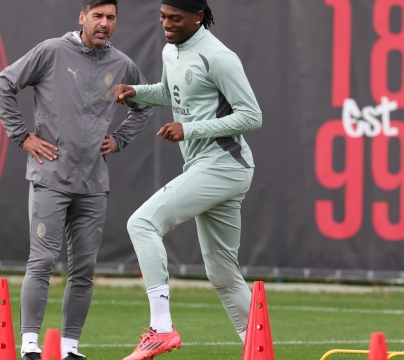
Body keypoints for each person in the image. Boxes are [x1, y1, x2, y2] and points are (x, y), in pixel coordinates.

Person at [0, 0, 153, 359]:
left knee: (85, 269)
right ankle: (30, 345)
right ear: (82, 18)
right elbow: (1, 84)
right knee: (42, 262)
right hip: (50, 176)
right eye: (97, 16)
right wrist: (22, 136)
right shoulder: (51, 52)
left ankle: (69, 349)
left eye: (111, 18)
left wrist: (121, 138)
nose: (104, 24)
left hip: (94, 184)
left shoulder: (122, 64)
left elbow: (144, 104)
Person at [113, 0, 262, 359]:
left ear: (198, 17)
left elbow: (252, 116)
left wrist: (190, 128)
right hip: (207, 167)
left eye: (175, 18)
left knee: (143, 223)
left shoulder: (219, 57)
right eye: (163, 17)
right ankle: (259, 351)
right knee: (224, 274)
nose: (166, 24)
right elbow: (171, 93)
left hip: (224, 165)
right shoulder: (170, 51)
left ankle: (161, 329)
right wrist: (137, 92)